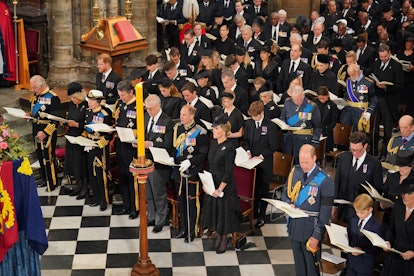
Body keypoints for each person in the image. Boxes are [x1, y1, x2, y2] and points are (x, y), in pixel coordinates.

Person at [282, 144, 334, 276]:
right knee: (299, 267)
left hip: (311, 230)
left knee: (311, 269)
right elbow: (285, 193)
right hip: (295, 226)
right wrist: (289, 204)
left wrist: (317, 235)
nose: (303, 165)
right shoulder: (295, 171)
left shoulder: (325, 180)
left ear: (314, 158)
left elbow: (325, 212)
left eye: (306, 162)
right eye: (301, 161)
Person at [202, 114, 240, 254]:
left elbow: (228, 171)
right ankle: (218, 235)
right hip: (213, 182)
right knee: (216, 211)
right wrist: (206, 184)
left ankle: (224, 238)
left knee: (224, 213)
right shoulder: (213, 143)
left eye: (216, 128)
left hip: (225, 186)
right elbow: (209, 164)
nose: (213, 130)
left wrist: (220, 189)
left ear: (224, 130)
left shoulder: (230, 148)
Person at [173, 105, 209, 243]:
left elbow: (203, 154)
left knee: (191, 204)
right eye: (180, 114)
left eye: (183, 115)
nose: (181, 117)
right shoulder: (178, 128)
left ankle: (191, 231)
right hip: (178, 172)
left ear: (191, 116)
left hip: (191, 173)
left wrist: (191, 162)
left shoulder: (200, 132)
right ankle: (183, 229)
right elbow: (174, 148)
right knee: (181, 202)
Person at [242, 101, 279, 228]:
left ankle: (261, 215)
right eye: (252, 116)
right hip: (252, 162)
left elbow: (273, 146)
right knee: (253, 189)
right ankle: (252, 212)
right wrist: (247, 151)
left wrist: (261, 155)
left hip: (264, 163)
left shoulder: (270, 126)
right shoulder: (248, 124)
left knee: (263, 190)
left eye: (255, 116)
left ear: (262, 113)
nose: (253, 118)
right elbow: (246, 140)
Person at [333, 131, 383, 223]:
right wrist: (334, 205)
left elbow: (377, 190)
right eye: (352, 149)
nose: (354, 153)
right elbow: (337, 183)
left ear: (365, 146)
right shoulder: (344, 158)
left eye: (358, 150)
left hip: (361, 212)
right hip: (343, 209)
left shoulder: (374, 164)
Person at [144, 94, 174, 233]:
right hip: (145, 160)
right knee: (148, 191)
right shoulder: (145, 117)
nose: (148, 111)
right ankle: (151, 216)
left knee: (158, 192)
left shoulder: (167, 121)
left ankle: (161, 219)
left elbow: (168, 144)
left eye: (150, 109)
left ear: (158, 106)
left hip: (159, 161)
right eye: (147, 108)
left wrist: (151, 143)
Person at [370, 44, 404, 161]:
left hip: (389, 101)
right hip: (376, 99)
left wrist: (386, 87)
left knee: (387, 130)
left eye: (385, 56)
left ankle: (384, 153)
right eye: (381, 57)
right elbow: (370, 73)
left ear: (389, 53)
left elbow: (400, 85)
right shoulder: (376, 63)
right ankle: (373, 150)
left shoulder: (396, 66)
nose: (383, 59)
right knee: (374, 126)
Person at [113, 80, 139, 219]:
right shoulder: (120, 105)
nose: (121, 98)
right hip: (120, 144)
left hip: (131, 146)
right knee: (122, 175)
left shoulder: (138, 106)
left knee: (131, 177)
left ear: (131, 92)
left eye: (123, 95)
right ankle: (126, 205)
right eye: (120, 95)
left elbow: (141, 128)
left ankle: (135, 207)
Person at [29, 75, 60, 191]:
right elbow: (34, 111)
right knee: (40, 156)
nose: (33, 90)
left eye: (34, 88)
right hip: (36, 129)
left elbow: (55, 120)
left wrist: (46, 133)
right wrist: (29, 115)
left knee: (48, 157)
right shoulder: (35, 96)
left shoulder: (53, 98)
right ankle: (44, 177)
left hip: (47, 131)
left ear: (41, 86)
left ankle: (52, 181)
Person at [83, 90, 113, 211]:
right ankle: (95, 196)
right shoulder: (88, 112)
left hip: (100, 147)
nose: (89, 103)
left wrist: (98, 144)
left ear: (98, 101)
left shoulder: (105, 114)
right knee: (92, 173)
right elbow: (86, 129)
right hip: (89, 145)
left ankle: (103, 199)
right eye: (89, 100)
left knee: (101, 174)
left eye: (92, 101)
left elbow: (109, 135)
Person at [280, 85, 322, 162]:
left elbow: (318, 127)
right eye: (294, 99)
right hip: (289, 139)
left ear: (303, 96)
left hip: (303, 140)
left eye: (298, 99)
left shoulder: (312, 106)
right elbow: (282, 117)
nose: (296, 102)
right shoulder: (287, 102)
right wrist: (284, 125)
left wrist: (314, 143)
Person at [381, 177, 414, 276]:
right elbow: (391, 229)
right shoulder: (398, 207)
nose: (404, 196)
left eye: (409, 193)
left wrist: (413, 253)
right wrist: (387, 242)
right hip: (393, 258)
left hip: (410, 263)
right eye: (403, 193)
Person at [347, 193, 384, 276]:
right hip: (351, 263)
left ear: (370, 209)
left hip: (365, 265)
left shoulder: (376, 226)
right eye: (357, 212)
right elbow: (349, 237)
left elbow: (377, 249)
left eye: (362, 212)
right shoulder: (353, 220)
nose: (359, 215)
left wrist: (363, 250)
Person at [64, 82, 88, 199]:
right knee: (73, 163)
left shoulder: (86, 105)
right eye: (71, 98)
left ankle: (85, 187)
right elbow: (69, 118)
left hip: (81, 137)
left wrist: (77, 124)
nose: (73, 100)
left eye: (75, 98)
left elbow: (88, 123)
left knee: (80, 163)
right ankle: (78, 185)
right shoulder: (72, 105)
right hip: (71, 137)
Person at [381, 150, 414, 228]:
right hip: (389, 220)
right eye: (399, 166)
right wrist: (382, 205)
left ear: (411, 166)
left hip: (406, 222)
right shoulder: (392, 177)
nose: (401, 168)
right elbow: (385, 196)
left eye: (404, 166)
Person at [340, 63, 377, 131]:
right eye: (349, 74)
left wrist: (369, 111)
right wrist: (341, 102)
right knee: (344, 133)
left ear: (358, 71)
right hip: (347, 112)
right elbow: (346, 96)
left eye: (352, 74)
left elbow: (373, 99)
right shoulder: (348, 81)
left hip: (360, 112)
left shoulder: (368, 83)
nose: (351, 76)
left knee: (357, 135)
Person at [314, 86, 338, 152]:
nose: (321, 100)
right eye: (320, 98)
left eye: (323, 98)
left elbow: (334, 121)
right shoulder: (314, 103)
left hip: (327, 132)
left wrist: (324, 132)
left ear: (327, 95)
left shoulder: (332, 105)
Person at [396, 36, 414, 117]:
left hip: (411, 81)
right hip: (401, 79)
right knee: (399, 101)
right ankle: (398, 120)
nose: (408, 44)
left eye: (410, 42)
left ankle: (408, 118)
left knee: (409, 102)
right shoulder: (400, 52)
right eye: (407, 42)